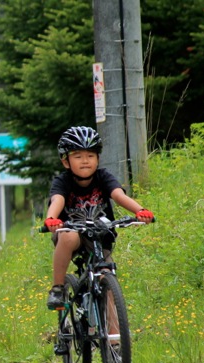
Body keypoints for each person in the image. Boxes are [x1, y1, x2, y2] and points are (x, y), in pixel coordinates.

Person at [44, 126, 154, 313]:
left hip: (99, 235)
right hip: (71, 234)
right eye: (78, 156)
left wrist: (140, 210)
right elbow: (58, 200)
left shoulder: (104, 177)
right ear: (66, 162)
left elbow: (118, 195)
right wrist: (51, 218)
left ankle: (114, 339)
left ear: (98, 158)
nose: (85, 161)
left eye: (91, 155)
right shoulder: (62, 181)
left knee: (107, 279)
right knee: (69, 236)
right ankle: (58, 289)